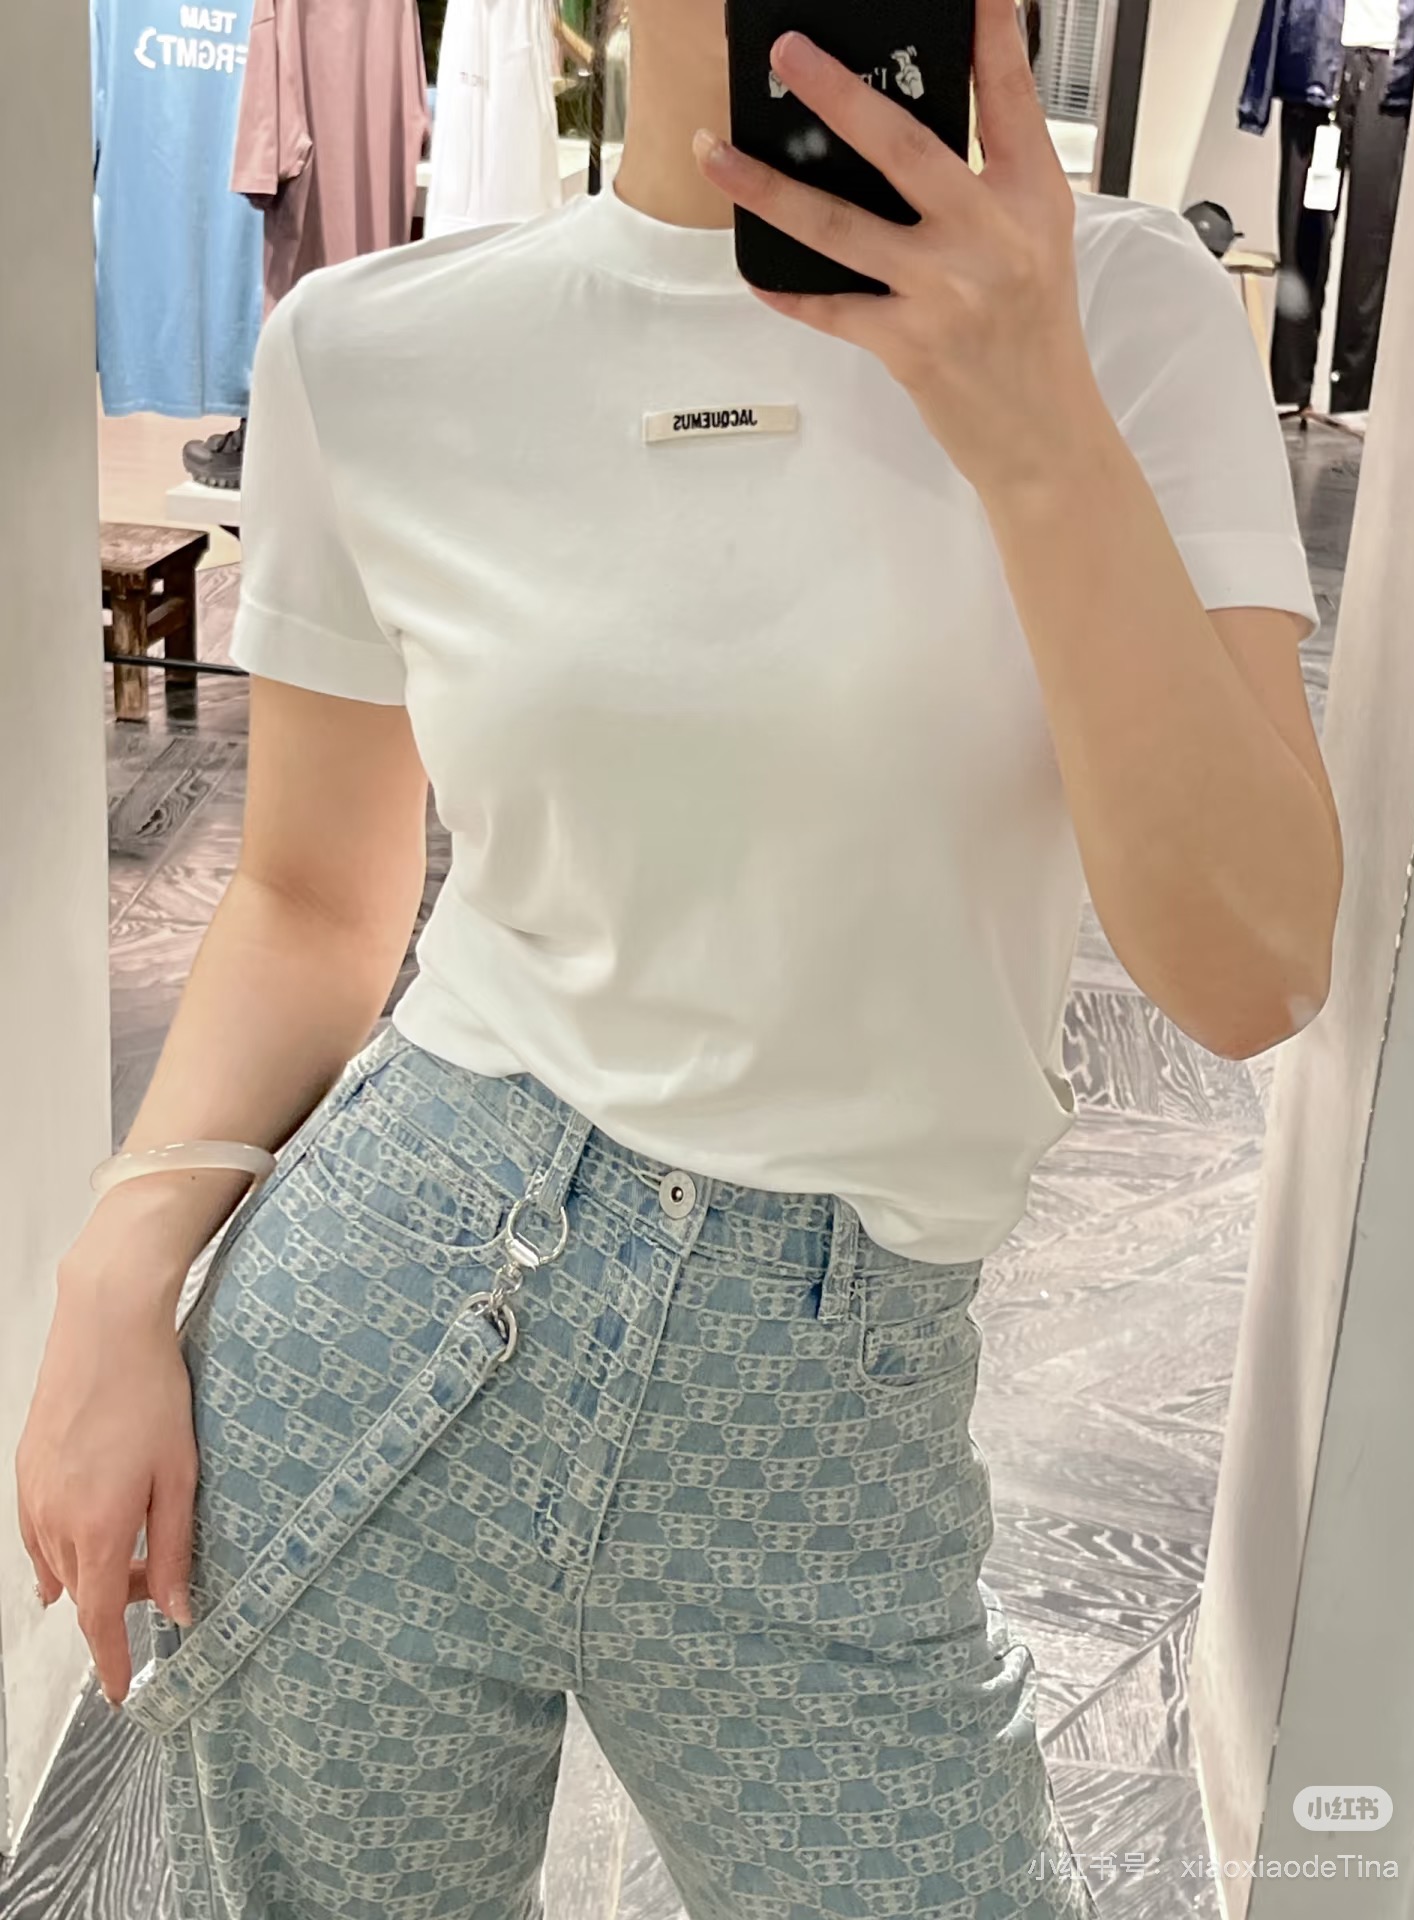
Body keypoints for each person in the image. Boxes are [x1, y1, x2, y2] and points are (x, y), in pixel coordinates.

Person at [18, 0, 1343, 1913]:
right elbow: (310, 900)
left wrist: (1035, 421)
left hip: (830, 1405)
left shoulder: (1120, 314)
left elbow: (1255, 968)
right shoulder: (371, 351)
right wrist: (116, 1267)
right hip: (385, 1322)